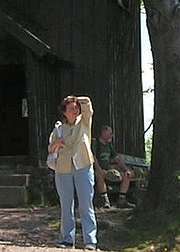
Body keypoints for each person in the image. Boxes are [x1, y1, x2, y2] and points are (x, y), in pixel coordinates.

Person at [48, 95, 97, 250]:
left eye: (76, 107)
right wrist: (57, 143)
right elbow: (50, 148)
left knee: (85, 204)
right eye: (71, 108)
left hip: (83, 166)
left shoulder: (84, 122)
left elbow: (88, 104)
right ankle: (67, 239)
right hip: (63, 168)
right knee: (66, 204)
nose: (74, 110)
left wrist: (76, 98)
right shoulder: (59, 128)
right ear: (64, 112)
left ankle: (90, 240)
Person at [92, 124, 134, 209]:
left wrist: (126, 169)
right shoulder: (96, 143)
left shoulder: (109, 145)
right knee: (99, 174)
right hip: (97, 170)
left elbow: (117, 158)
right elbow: (93, 158)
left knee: (126, 175)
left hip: (109, 171)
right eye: (110, 133)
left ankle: (121, 200)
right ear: (103, 132)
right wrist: (99, 169)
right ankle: (105, 200)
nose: (111, 135)